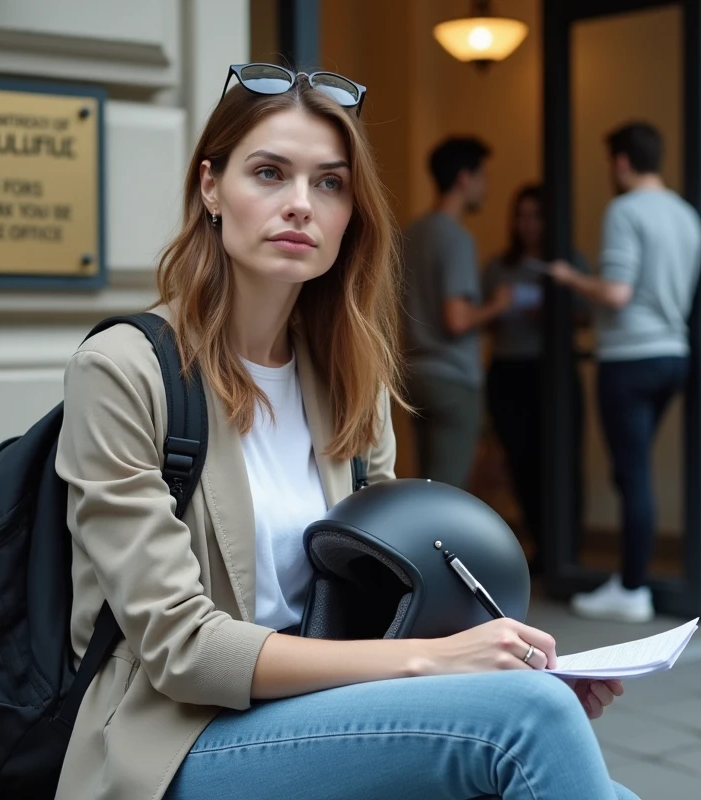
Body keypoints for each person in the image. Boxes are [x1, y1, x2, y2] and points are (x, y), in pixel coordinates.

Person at [53, 63, 640, 800]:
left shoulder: (348, 382)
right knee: (532, 727)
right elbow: (185, 651)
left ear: (351, 213)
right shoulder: (124, 372)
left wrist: (498, 675)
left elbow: (396, 596)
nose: (300, 204)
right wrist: (436, 669)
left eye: (329, 183)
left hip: (319, 714)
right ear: (211, 187)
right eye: (269, 172)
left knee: (553, 737)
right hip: (173, 741)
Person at [548, 121, 701, 624]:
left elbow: (617, 292)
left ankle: (633, 587)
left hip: (630, 358)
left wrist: (570, 278)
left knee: (632, 474)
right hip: (673, 355)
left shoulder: (625, 210)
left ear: (620, 162)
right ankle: (629, 579)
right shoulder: (686, 215)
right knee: (630, 471)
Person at [482, 183, 589, 575]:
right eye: (521, 216)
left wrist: (551, 314)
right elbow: (479, 319)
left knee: (561, 460)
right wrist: (499, 309)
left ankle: (567, 550)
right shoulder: (499, 266)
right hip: (509, 372)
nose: (527, 225)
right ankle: (542, 547)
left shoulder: (567, 263)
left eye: (535, 216)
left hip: (554, 373)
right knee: (521, 462)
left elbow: (588, 315)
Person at [402, 136, 513, 490]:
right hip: (452, 379)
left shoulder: (411, 234)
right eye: (484, 177)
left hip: (413, 374)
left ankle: (418, 547)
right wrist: (498, 305)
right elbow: (457, 319)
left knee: (427, 485)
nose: (486, 187)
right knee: (447, 492)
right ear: (465, 178)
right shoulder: (455, 238)